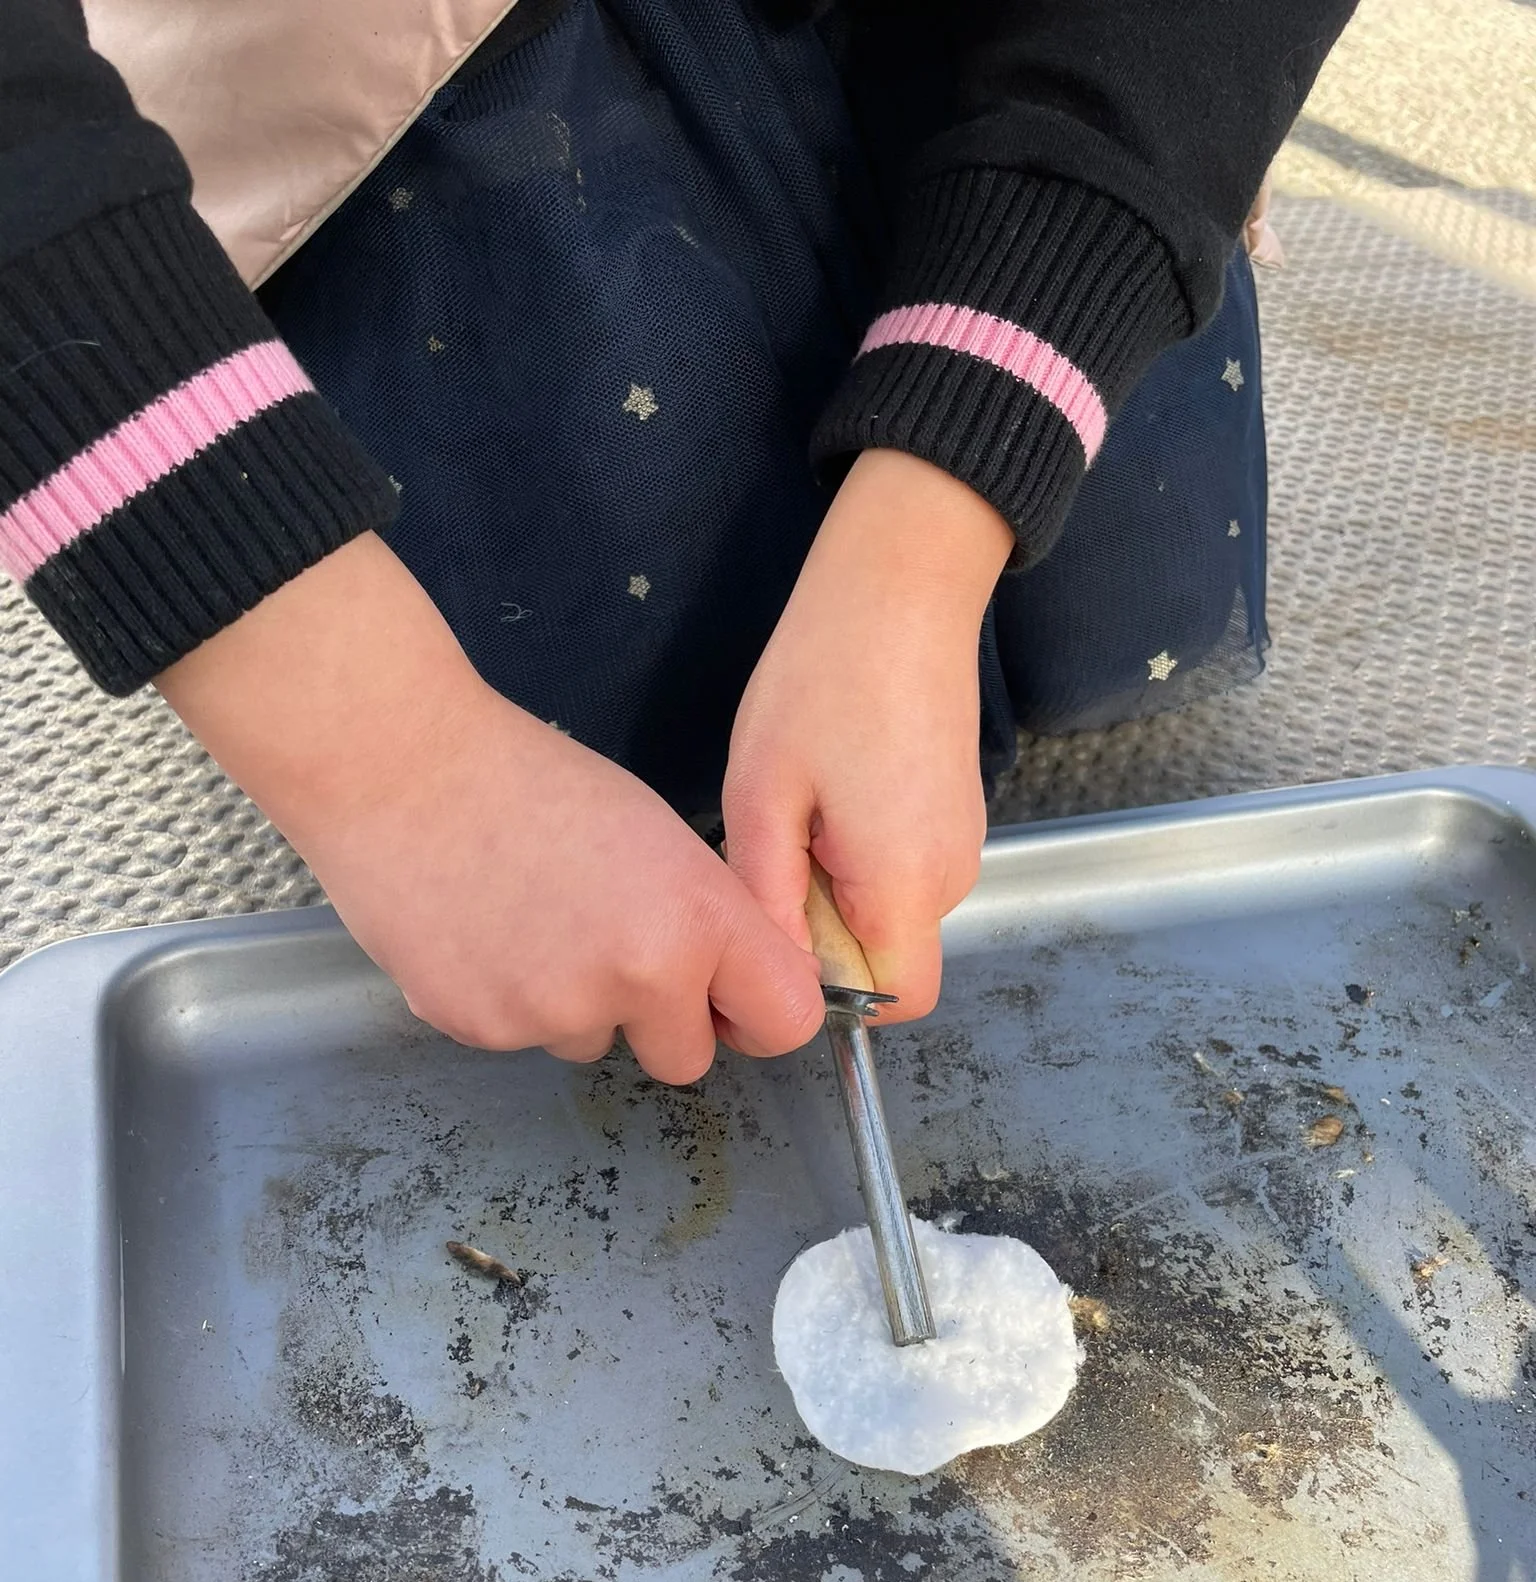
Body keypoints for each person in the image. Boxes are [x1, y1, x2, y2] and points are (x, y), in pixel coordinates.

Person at [0, 0, 1354, 1082]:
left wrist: (921, 553)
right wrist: (390, 757)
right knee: (617, 717)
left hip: (991, 51)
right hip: (408, 85)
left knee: (1114, 608)